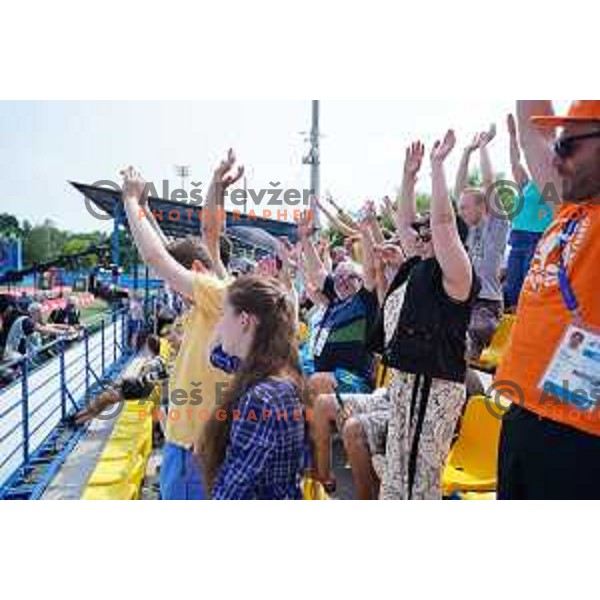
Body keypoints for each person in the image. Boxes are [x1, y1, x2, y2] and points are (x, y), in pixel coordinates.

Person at [121, 149, 243, 500]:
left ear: (197, 275)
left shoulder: (218, 294)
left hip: (194, 448)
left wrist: (130, 200)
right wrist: (217, 185)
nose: (174, 286)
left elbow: (156, 256)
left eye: (179, 280)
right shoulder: (219, 293)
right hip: (188, 441)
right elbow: (206, 235)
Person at [496, 100, 600, 500]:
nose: (554, 158)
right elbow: (530, 134)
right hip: (524, 414)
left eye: (567, 146)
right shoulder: (568, 205)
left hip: (580, 438)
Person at [375, 131, 479, 500]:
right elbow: (405, 224)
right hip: (409, 382)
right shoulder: (421, 263)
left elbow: (444, 226)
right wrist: (408, 177)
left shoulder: (456, 272)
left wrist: (437, 168)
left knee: (419, 483)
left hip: (433, 385)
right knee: (398, 476)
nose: (419, 234)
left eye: (426, 231)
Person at [201, 275, 305, 500]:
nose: (219, 325)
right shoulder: (272, 369)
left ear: (244, 320)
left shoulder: (261, 398)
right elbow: (213, 354)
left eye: (223, 314)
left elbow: (231, 493)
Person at [298, 216, 379, 400]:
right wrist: (305, 239)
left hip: (353, 379)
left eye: (350, 277)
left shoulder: (364, 302)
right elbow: (318, 272)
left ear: (361, 282)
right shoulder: (335, 297)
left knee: (313, 381)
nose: (342, 280)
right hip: (326, 375)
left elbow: (371, 271)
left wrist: (366, 232)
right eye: (339, 276)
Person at [455, 125, 510, 361]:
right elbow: (459, 190)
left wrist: (484, 146)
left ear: (482, 206)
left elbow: (489, 183)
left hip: (487, 305)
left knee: (468, 335)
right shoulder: (467, 229)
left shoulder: (495, 225)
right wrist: (466, 153)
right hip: (467, 300)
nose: (462, 211)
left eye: (466, 207)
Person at [504, 113, 555, 310]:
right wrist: (512, 136)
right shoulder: (527, 184)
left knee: (529, 288)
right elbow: (515, 163)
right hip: (517, 238)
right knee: (513, 287)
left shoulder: (550, 185)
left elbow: (558, 211)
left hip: (537, 239)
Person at [66, 335, 168, 426]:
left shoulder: (152, 363)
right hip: (135, 390)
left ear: (149, 347)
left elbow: (143, 380)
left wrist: (121, 383)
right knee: (104, 401)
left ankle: (77, 417)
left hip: (135, 392)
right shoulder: (159, 360)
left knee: (103, 398)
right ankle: (79, 419)